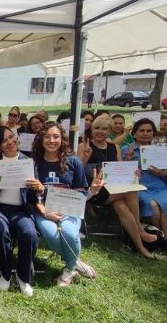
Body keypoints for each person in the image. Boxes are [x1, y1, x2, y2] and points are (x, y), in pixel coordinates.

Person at [76, 115, 155, 258]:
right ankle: (140, 229)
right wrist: (86, 157)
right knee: (132, 190)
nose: (99, 131)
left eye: (104, 129)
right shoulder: (84, 145)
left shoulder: (115, 147)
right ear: (92, 129)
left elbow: (119, 170)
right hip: (94, 191)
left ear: (110, 131)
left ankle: (140, 246)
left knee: (121, 206)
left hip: (114, 189)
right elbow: (76, 172)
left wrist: (131, 170)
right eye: (96, 128)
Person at [0, 126, 42, 297]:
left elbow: (32, 196)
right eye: (4, 141)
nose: (9, 142)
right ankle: (5, 273)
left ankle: (23, 276)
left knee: (29, 233)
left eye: (11, 137)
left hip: (19, 210)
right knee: (0, 231)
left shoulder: (28, 162)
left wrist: (38, 188)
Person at [31, 123, 97, 287]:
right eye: (47, 136)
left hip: (70, 210)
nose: (51, 140)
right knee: (51, 234)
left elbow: (80, 193)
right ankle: (76, 263)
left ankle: (69, 268)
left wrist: (93, 191)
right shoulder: (34, 164)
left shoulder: (73, 162)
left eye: (56, 136)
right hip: (43, 210)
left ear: (62, 139)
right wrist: (46, 212)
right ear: (40, 139)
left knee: (69, 234)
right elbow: (30, 197)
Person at [122, 119, 167, 240]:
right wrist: (128, 162)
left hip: (160, 186)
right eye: (142, 131)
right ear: (134, 133)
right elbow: (118, 172)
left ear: (153, 133)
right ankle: (158, 237)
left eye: (149, 131)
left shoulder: (160, 150)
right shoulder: (126, 150)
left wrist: (160, 172)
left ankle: (165, 239)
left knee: (165, 204)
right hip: (139, 187)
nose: (145, 133)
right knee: (153, 206)